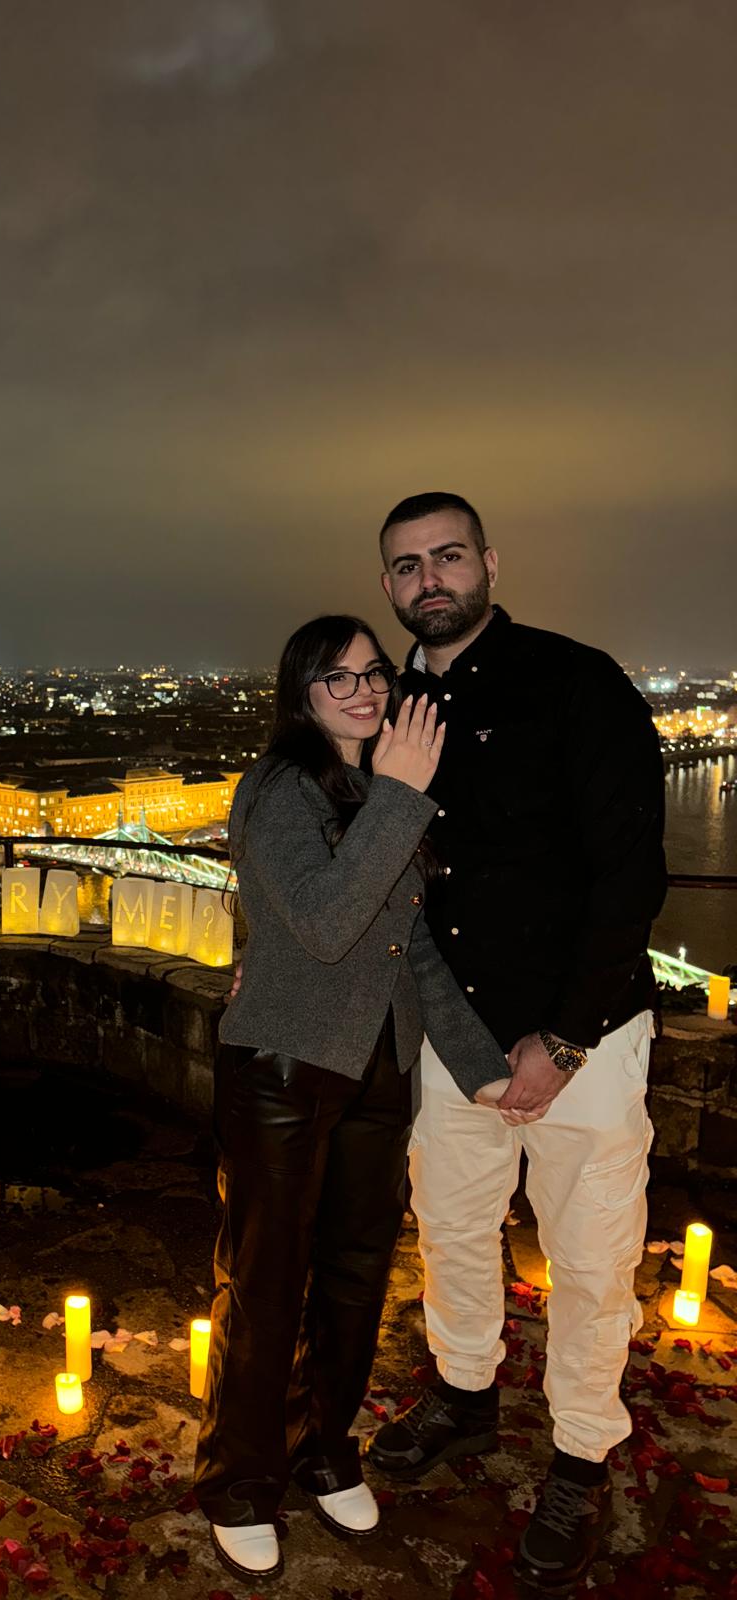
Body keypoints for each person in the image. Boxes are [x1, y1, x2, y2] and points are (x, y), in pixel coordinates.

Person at [366, 493, 667, 1593]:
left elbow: (629, 876)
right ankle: (465, 1389)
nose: (429, 579)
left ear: (487, 560)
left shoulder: (575, 682)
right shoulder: (388, 704)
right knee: (450, 1224)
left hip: (576, 1033)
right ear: (388, 583)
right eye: (406, 566)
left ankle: (584, 1450)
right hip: (452, 1028)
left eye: (447, 556)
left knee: (590, 1256)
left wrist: (567, 1036)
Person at [196, 613, 511, 1584]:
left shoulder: (376, 791)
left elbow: (405, 948)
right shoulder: (278, 789)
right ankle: (239, 1480)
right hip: (286, 1068)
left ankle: (323, 1445)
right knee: (267, 1280)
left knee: (355, 1273)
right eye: (340, 679)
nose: (366, 690)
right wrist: (405, 797)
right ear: (301, 694)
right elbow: (329, 923)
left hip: (379, 1066)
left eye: (375, 672)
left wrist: (480, 1059)